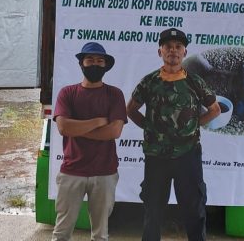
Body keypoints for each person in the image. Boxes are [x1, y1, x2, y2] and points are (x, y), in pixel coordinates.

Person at [126, 28, 221, 241]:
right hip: (156, 157)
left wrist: (194, 125)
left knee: (194, 211)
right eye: (168, 47)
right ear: (160, 51)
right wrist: (151, 129)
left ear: (184, 53)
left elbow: (215, 109)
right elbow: (130, 110)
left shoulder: (195, 82)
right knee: (153, 211)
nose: (173, 51)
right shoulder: (149, 81)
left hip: (188, 156)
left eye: (178, 47)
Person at [52, 42, 127, 241]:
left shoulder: (115, 94)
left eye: (99, 61)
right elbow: (63, 128)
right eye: (90, 60)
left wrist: (77, 129)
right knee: (61, 232)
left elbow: (114, 131)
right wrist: (97, 122)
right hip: (71, 171)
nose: (95, 64)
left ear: (106, 66)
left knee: (100, 234)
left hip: (105, 173)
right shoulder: (67, 93)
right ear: (81, 63)